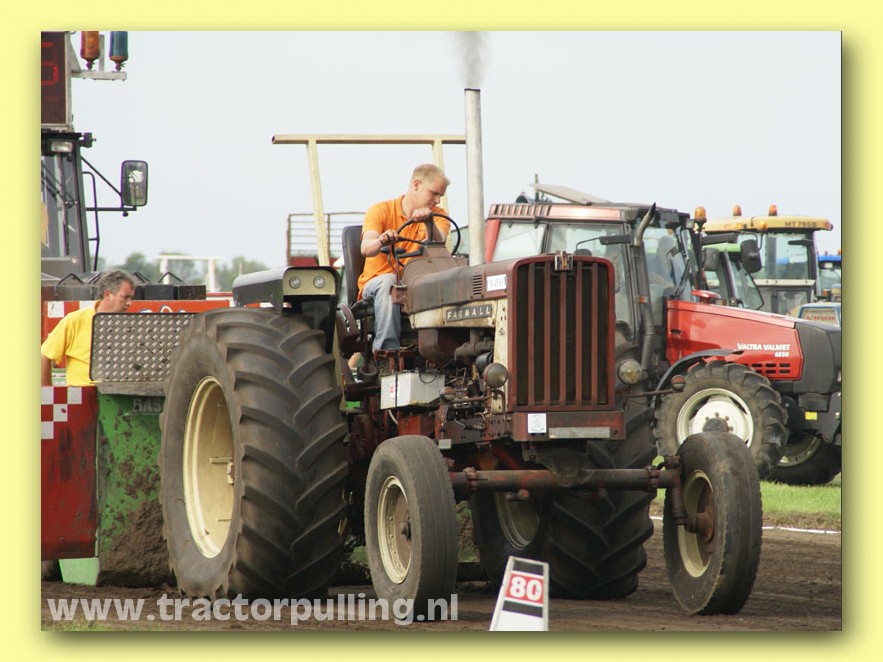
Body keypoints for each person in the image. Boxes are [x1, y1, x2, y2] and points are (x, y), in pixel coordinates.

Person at [357, 164, 451, 353]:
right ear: (416, 185)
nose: (437, 200)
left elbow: (438, 241)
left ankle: (444, 351)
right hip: (377, 285)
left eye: (440, 196)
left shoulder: (438, 216)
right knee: (389, 281)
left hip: (415, 285)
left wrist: (428, 222)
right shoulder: (380, 210)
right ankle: (386, 352)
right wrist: (382, 240)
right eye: (434, 193)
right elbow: (366, 248)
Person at [41, 270, 136, 386]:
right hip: (82, 394)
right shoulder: (75, 320)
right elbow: (45, 355)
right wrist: (47, 392)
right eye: (125, 297)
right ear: (107, 294)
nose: (129, 303)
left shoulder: (130, 326)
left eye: (131, 298)